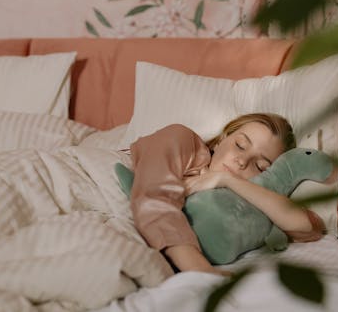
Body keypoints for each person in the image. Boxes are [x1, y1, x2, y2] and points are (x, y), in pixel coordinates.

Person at [129, 113, 326, 276]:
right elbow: (153, 199)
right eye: (240, 145)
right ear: (223, 138)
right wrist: (200, 269)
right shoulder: (182, 140)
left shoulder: (246, 203)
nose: (242, 161)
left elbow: (309, 228)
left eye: (260, 166)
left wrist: (228, 180)